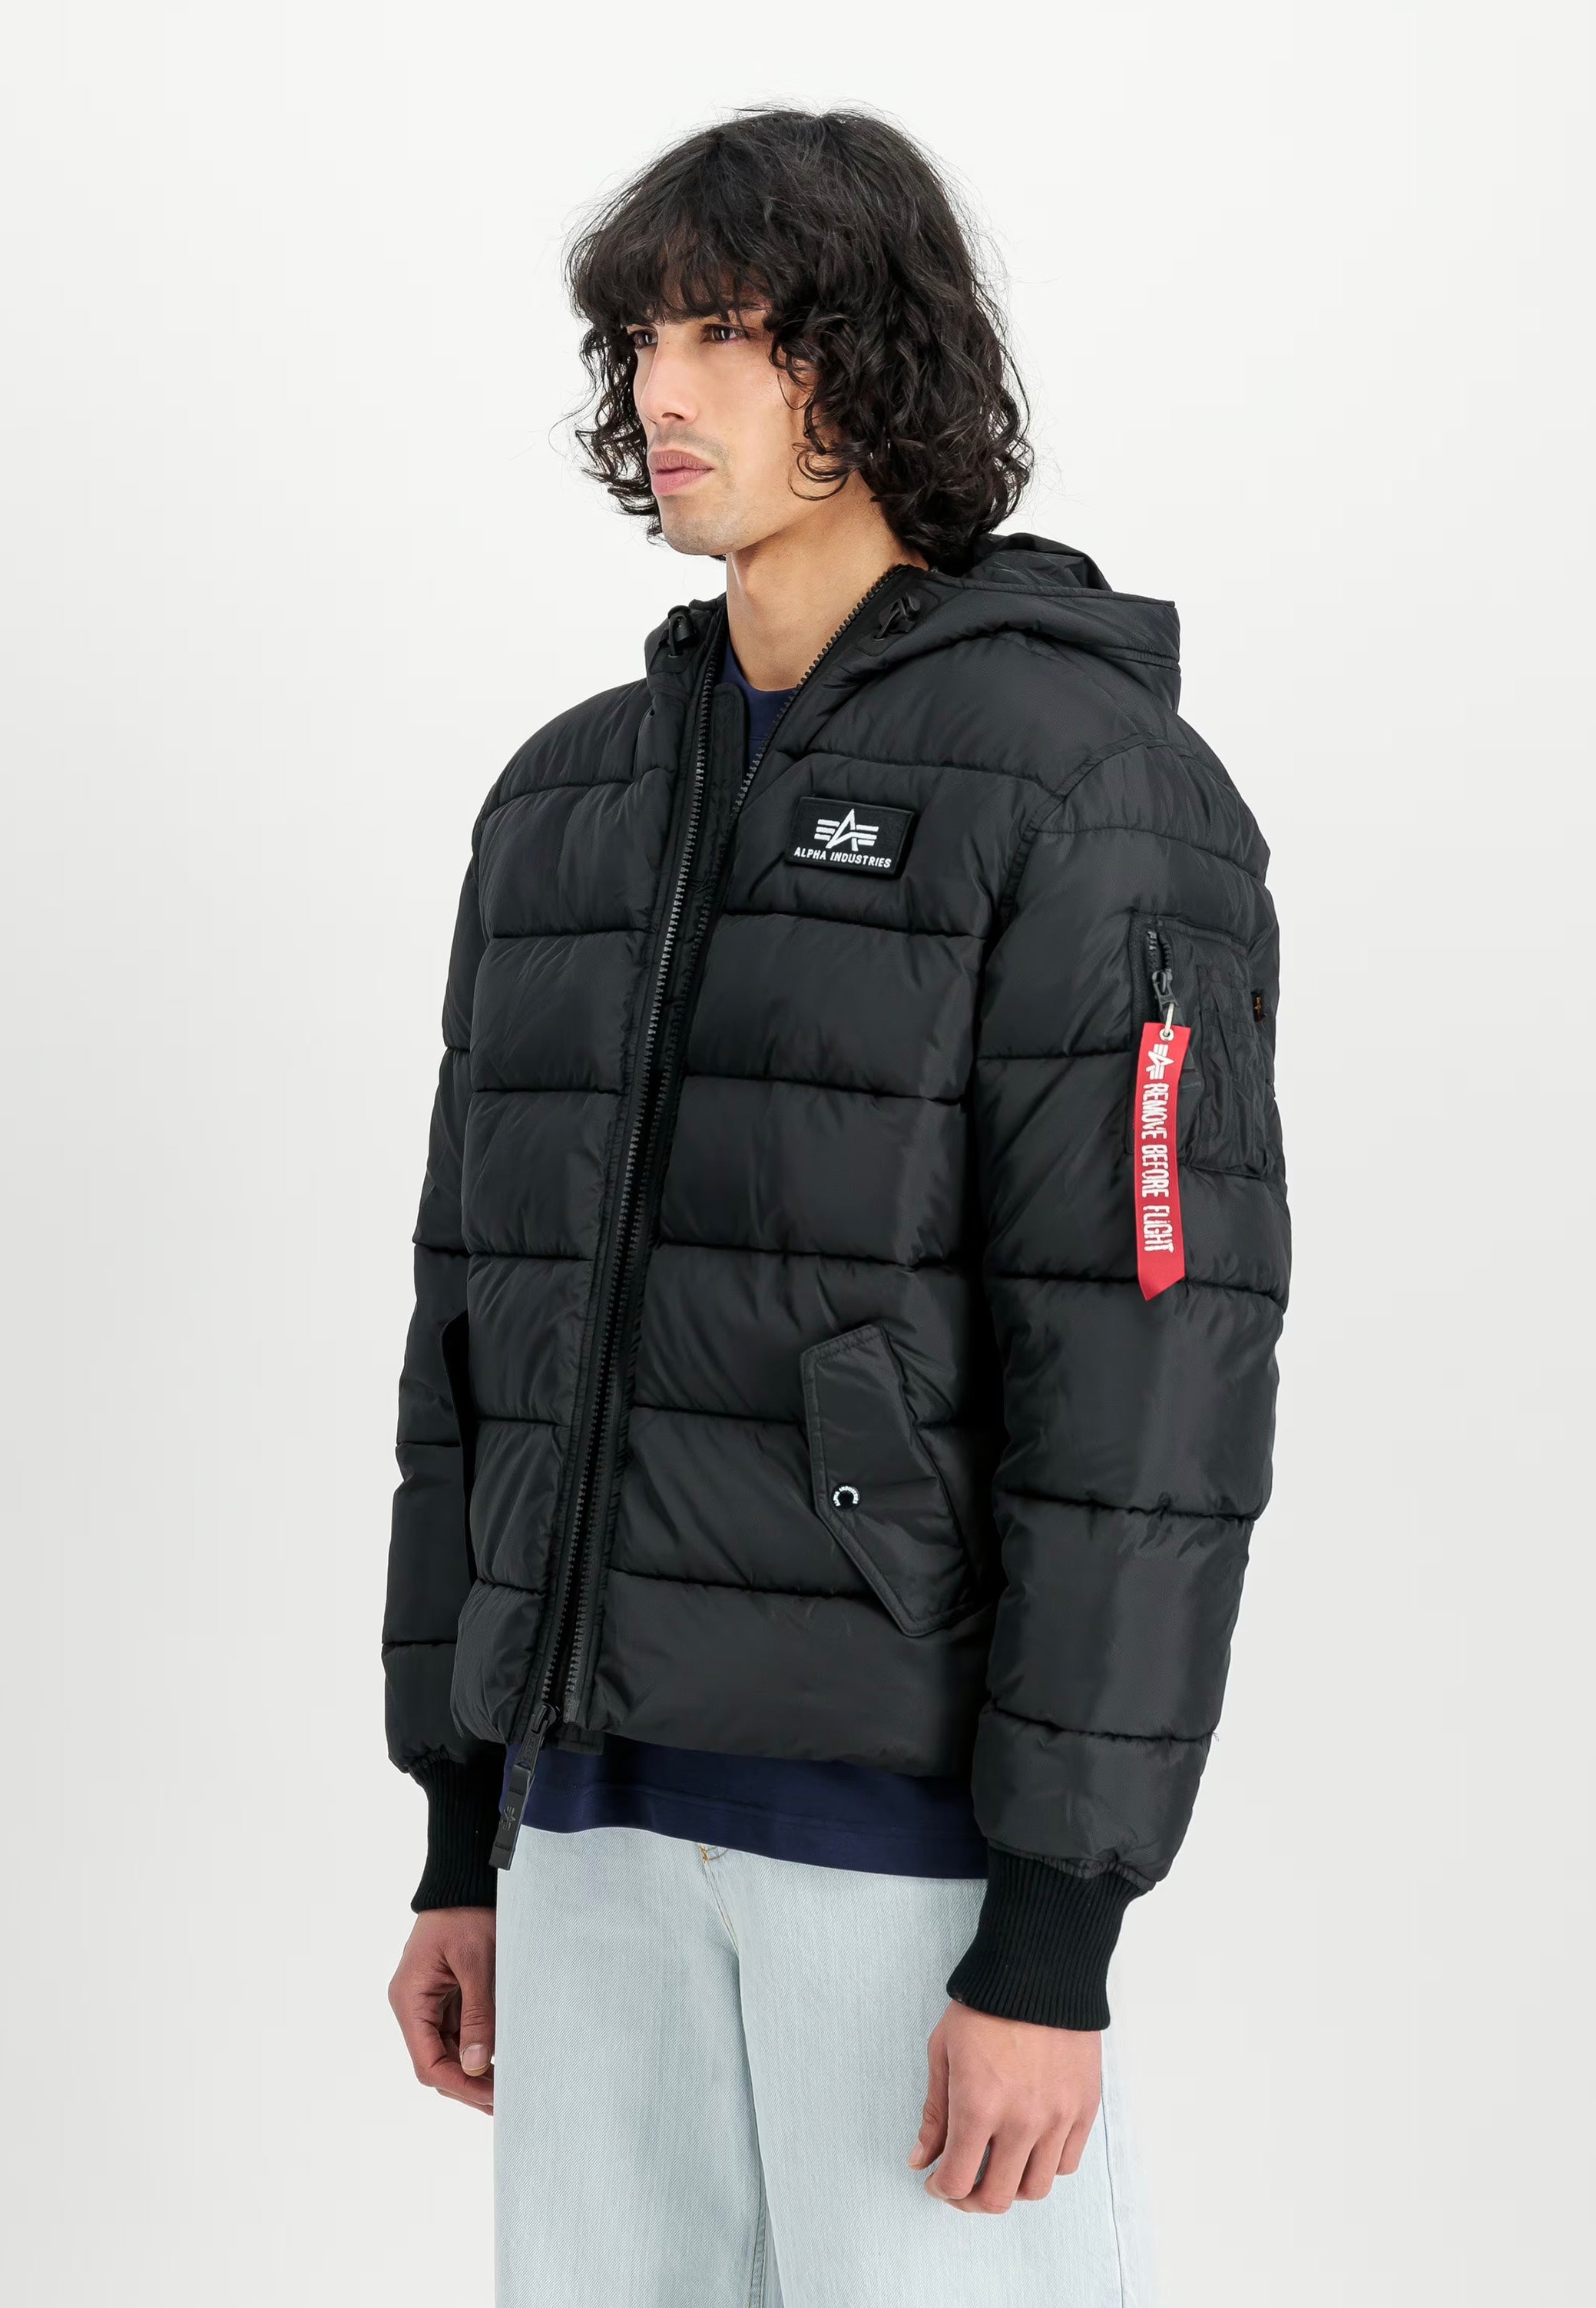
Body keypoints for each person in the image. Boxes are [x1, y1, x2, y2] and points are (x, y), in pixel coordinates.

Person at [382, 105, 1288, 2306]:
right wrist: (461, 1831)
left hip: (902, 1849)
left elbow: (1152, 1387)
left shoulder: (1085, 792)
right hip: (586, 1830)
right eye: (642, 339)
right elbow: (468, 1340)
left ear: (871, 367)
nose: (665, 391)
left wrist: (1054, 1934)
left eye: (730, 332)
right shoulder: (566, 806)